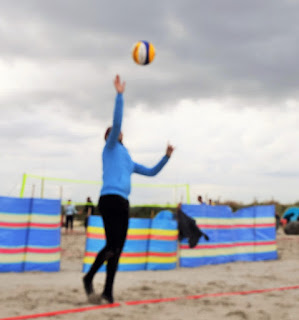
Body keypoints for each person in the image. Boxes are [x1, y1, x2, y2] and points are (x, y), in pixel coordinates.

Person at [83, 75, 174, 304]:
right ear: (109, 136)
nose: (118, 131)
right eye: (113, 130)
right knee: (113, 245)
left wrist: (166, 157)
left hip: (123, 201)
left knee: (117, 248)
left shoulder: (128, 158)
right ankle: (90, 278)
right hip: (109, 199)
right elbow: (118, 120)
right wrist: (120, 95)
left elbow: (152, 172)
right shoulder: (110, 147)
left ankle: (107, 291)